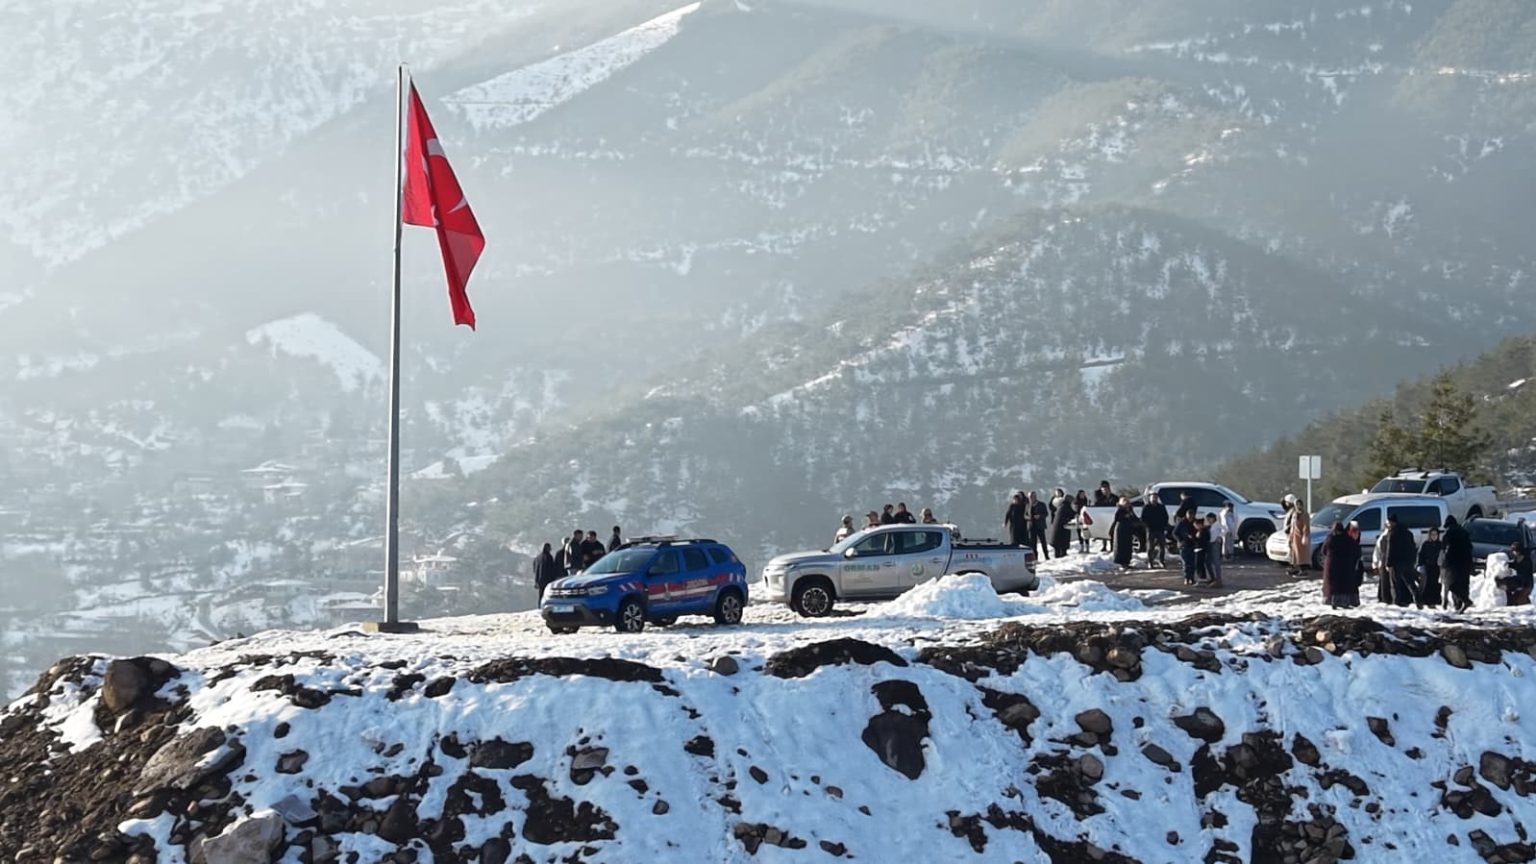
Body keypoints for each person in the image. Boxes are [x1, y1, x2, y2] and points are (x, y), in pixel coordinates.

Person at [1321, 522, 1362, 608]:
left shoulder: (1330, 538)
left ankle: (1332, 601)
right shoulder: (1347, 539)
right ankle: (1346, 602)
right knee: (1345, 585)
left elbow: (1323, 551)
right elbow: (1356, 550)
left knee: (1333, 585)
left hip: (1332, 565)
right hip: (1346, 566)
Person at [1383, 514, 1417, 607]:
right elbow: (1413, 548)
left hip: (1396, 563)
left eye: (1389, 523)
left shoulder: (1392, 533)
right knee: (1410, 582)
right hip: (1408, 562)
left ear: (1392, 522)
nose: (1388, 525)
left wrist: (1388, 563)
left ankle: (1396, 602)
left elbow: (1390, 550)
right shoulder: (1408, 533)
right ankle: (1418, 599)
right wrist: (1412, 560)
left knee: (1395, 584)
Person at [1441, 516, 1474, 612]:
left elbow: (1445, 548)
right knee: (1464, 583)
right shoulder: (1465, 533)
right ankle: (1460, 604)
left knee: (1451, 584)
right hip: (1466, 562)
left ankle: (1465, 601)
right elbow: (1470, 547)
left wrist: (1445, 562)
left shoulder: (1448, 533)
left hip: (1453, 563)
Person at [1415, 527, 1443, 610]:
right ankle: (1426, 601)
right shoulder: (1426, 544)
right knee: (1427, 584)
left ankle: (1434, 601)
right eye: (1432, 534)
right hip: (1428, 567)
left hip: (1437, 567)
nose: (1434, 536)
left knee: (1436, 585)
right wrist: (1419, 565)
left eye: (1435, 534)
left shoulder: (1440, 545)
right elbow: (1420, 555)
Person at [1141, 492, 1170, 569]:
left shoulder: (1161, 507)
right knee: (1150, 547)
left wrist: (1164, 526)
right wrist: (1147, 527)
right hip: (1151, 530)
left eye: (1156, 497)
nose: (1154, 499)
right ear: (1150, 498)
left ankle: (1162, 561)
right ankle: (1150, 562)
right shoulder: (1146, 507)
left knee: (1162, 547)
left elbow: (1165, 517)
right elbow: (1143, 518)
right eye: (1153, 497)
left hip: (1160, 529)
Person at [1285, 495, 1312, 576]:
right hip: (1294, 537)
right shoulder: (1294, 514)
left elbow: (1306, 526)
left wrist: (1305, 536)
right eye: (1297, 505)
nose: (1298, 506)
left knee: (1301, 554)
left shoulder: (1304, 514)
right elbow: (1292, 525)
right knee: (1294, 553)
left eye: (1300, 504)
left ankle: (1303, 569)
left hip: (1301, 537)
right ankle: (1295, 568)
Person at [1111, 497, 1139, 570]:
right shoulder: (1120, 510)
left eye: (1127, 502)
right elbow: (1117, 518)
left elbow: (1134, 518)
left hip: (1128, 530)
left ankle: (1127, 562)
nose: (1127, 504)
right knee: (1121, 546)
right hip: (1121, 529)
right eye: (1125, 502)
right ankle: (1121, 562)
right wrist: (1125, 516)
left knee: (1128, 546)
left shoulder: (1130, 510)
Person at [1173, 511, 1199, 585]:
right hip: (1184, 545)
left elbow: (1198, 531)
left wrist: (1194, 537)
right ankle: (1186, 578)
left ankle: (1192, 578)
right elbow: (1175, 533)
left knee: (1192, 562)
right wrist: (1180, 540)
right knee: (1186, 562)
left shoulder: (1195, 522)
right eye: (1189, 517)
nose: (1190, 518)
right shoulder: (1182, 523)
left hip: (1192, 545)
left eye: (1192, 517)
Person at [1050, 493, 1074, 559]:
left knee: (1057, 550)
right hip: (1062, 532)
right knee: (1062, 551)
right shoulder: (1066, 507)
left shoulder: (1061, 506)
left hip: (1057, 532)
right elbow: (1071, 515)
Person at [1203, 513, 1225, 586]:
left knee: (1216, 562)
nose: (1208, 520)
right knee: (1208, 561)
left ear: (1213, 518)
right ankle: (1212, 577)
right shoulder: (1210, 526)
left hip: (1215, 543)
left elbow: (1225, 530)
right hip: (1210, 543)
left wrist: (1219, 536)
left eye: (1209, 519)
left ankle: (1218, 580)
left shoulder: (1217, 524)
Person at [1027, 492, 1050, 560]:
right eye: (1030, 497)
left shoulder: (1041, 504)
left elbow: (1046, 513)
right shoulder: (1028, 505)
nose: (1031, 498)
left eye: (1033, 496)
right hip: (1032, 526)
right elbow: (1025, 515)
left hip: (1040, 526)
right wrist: (1029, 518)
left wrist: (1039, 516)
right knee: (1033, 543)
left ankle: (1046, 556)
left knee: (1043, 542)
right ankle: (1035, 557)